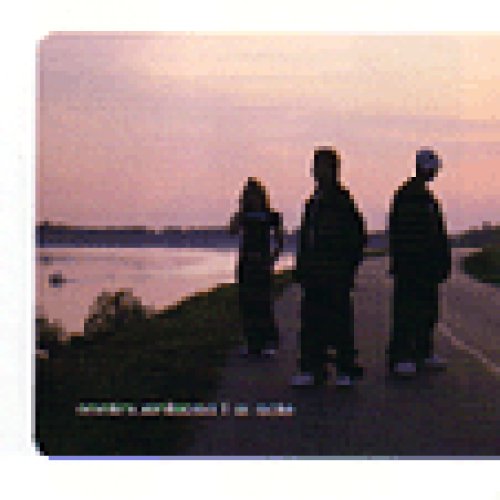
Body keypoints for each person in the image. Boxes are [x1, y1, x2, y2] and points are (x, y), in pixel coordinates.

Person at [292, 147, 366, 387]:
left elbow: (357, 236)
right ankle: (312, 367)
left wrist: (347, 266)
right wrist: (301, 266)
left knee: (339, 322)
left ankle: (345, 368)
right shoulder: (312, 203)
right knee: (311, 323)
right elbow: (305, 238)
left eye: (322, 166)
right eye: (315, 166)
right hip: (313, 274)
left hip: (335, 273)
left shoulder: (342, 201)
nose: (317, 172)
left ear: (334, 170)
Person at [387, 148, 451, 377]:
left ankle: (423, 352)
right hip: (411, 266)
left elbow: (438, 234)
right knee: (407, 312)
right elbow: (400, 233)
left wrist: (442, 261)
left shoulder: (428, 198)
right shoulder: (408, 196)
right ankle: (401, 356)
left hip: (427, 267)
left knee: (427, 311)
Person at [229, 177, 284, 357]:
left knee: (263, 302)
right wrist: (238, 216)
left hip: (262, 263)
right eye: (248, 195)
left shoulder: (271, 216)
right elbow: (232, 231)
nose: (252, 198)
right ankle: (252, 341)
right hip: (246, 263)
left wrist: (273, 257)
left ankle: (269, 340)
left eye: (254, 195)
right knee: (247, 303)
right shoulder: (243, 216)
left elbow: (280, 239)